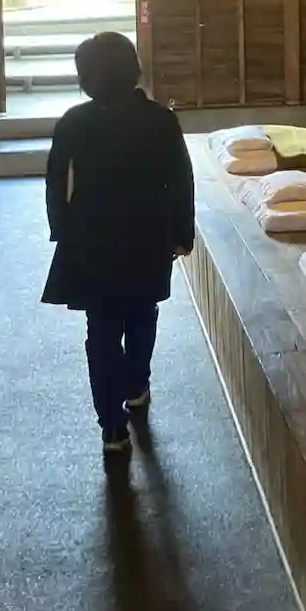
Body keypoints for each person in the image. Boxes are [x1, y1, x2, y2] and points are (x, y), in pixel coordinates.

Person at [43, 31, 195, 454]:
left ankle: (111, 426)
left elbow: (56, 184)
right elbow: (181, 180)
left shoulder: (74, 121)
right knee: (143, 313)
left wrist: (62, 231)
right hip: (149, 234)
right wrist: (182, 233)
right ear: (133, 68)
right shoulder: (160, 119)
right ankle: (137, 383)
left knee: (102, 329)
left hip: (92, 239)